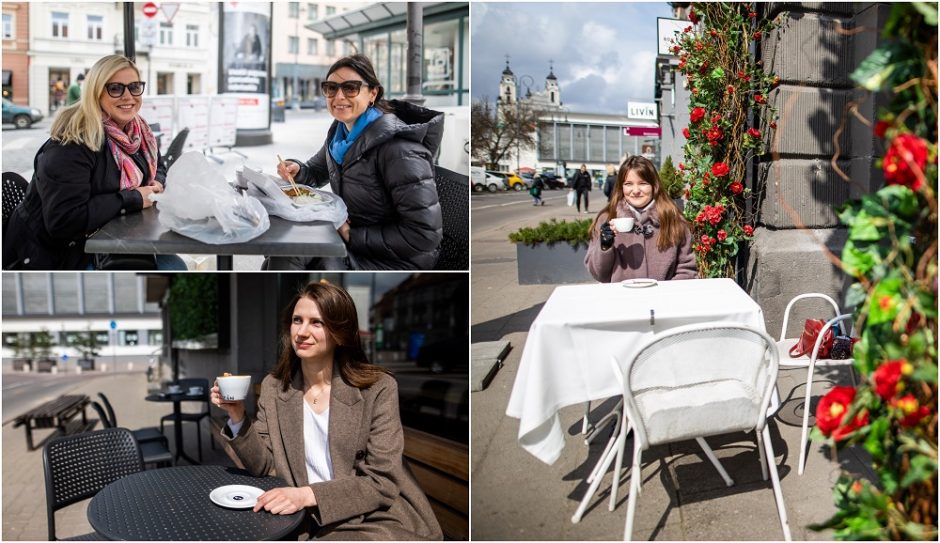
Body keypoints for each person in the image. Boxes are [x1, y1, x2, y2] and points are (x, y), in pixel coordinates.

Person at [211, 281, 443, 540]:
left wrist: (307, 494)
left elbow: (382, 481)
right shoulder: (275, 388)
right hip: (304, 519)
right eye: (297, 320)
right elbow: (263, 465)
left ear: (340, 332)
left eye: (317, 323)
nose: (302, 331)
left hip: (374, 517)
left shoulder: (377, 388)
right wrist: (237, 415)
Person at [2, 55, 186, 270]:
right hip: (56, 255)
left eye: (134, 87)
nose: (128, 96)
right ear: (95, 92)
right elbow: (65, 221)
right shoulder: (71, 144)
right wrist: (134, 198)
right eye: (115, 88)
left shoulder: (137, 131)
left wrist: (157, 184)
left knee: (174, 264)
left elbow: (158, 166)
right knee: (172, 268)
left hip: (115, 235)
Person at [268, 54, 443, 270]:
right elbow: (315, 170)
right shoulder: (340, 135)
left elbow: (423, 235)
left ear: (372, 93)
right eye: (331, 88)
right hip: (355, 240)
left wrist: (352, 235)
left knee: (301, 256)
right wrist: (297, 170)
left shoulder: (400, 150)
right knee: (283, 250)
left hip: (396, 260)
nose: (338, 96)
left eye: (350, 88)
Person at [584, 155, 697, 282]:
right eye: (628, 184)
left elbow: (687, 268)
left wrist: (666, 296)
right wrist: (604, 246)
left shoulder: (673, 220)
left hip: (662, 299)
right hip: (621, 299)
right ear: (621, 187)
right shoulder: (607, 219)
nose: (635, 190)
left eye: (643, 183)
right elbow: (598, 274)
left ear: (654, 186)